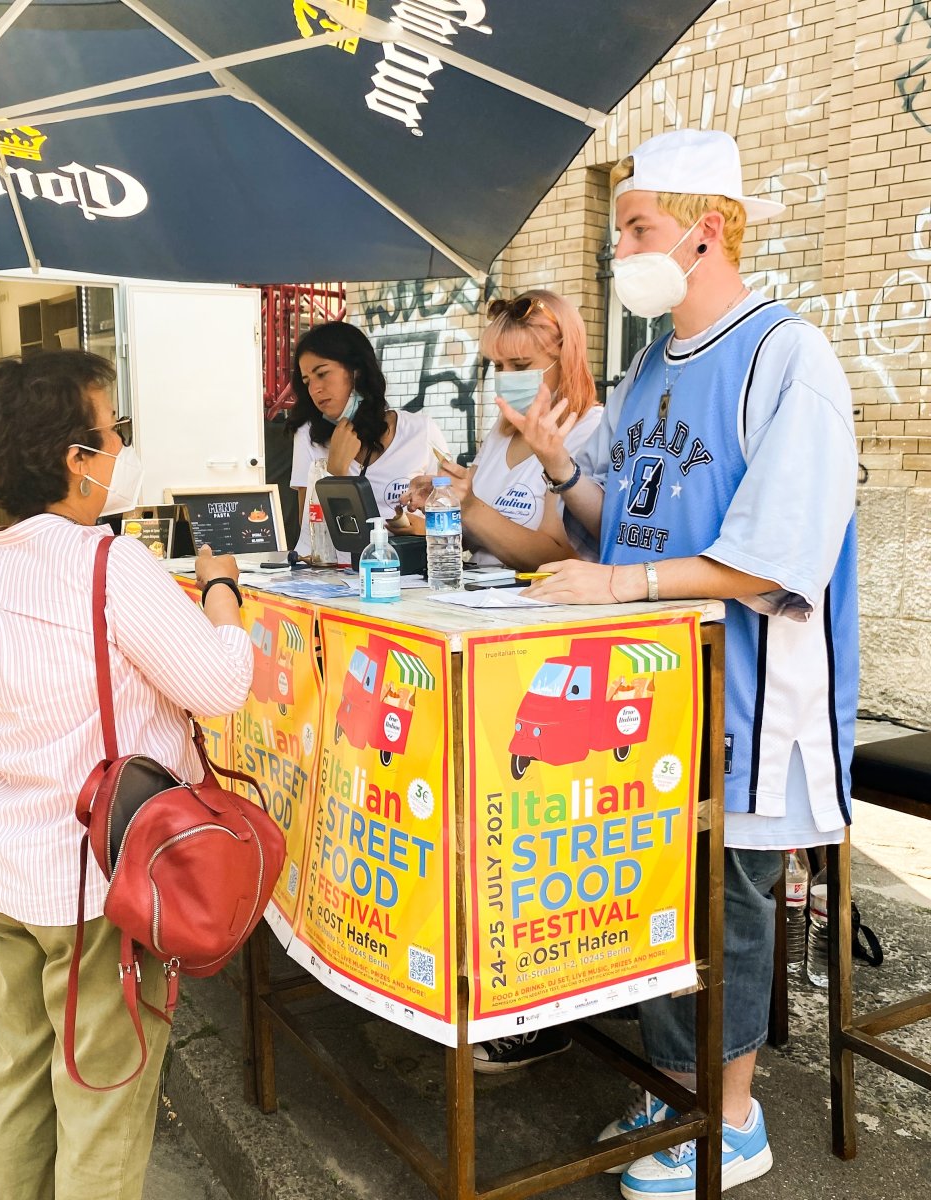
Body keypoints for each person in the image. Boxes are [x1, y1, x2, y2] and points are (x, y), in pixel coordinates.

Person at [505, 129, 858, 1198]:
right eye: (619, 232)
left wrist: (619, 587)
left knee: (734, 898)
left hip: (756, 687)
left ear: (708, 232)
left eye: (639, 229)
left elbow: (772, 557)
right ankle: (677, 1081)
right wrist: (565, 468)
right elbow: (631, 530)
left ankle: (735, 1116)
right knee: (665, 890)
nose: (623, 254)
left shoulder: (786, 356)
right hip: (654, 691)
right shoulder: (653, 366)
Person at [0, 351, 252, 1200]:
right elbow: (219, 685)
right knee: (103, 1092)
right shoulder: (110, 567)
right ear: (78, 459)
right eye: (115, 431)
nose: (120, 448)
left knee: (21, 1073)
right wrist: (222, 594)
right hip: (92, 887)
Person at [399, 289, 602, 574]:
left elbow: (559, 555)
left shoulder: (589, 429)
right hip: (479, 594)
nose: (505, 376)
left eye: (520, 365)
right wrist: (440, 502)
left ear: (565, 357)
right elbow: (478, 535)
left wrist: (469, 506)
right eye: (498, 365)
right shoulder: (502, 430)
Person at [287, 320, 448, 556]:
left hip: (406, 574)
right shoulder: (309, 435)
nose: (315, 389)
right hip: (334, 577)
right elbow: (311, 536)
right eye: (307, 381)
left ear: (356, 370)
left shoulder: (420, 431)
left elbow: (454, 526)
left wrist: (413, 526)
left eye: (322, 374)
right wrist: (335, 472)